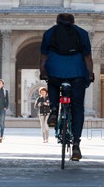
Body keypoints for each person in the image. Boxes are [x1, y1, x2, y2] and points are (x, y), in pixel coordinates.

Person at [39, 13, 94, 161]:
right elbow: (87, 57)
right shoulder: (82, 33)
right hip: (77, 72)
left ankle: (54, 111)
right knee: (77, 107)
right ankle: (76, 144)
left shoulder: (49, 33)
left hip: (55, 69)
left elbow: (44, 57)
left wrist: (43, 72)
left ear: (57, 22)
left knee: (53, 83)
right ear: (73, 22)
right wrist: (90, 74)